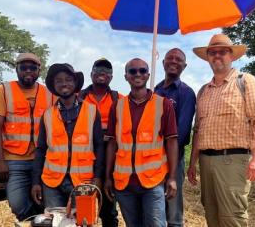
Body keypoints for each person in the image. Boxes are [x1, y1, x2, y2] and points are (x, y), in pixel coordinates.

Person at [187, 34, 255, 227]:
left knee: (232, 217)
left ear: (231, 56)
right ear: (208, 58)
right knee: (211, 213)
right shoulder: (203, 91)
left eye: (222, 52)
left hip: (234, 161)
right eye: (212, 53)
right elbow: (198, 130)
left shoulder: (245, 81)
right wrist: (192, 163)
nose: (217, 56)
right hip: (206, 162)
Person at [104, 58, 179, 227]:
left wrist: (172, 177)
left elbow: (172, 141)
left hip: (153, 180)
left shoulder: (163, 105)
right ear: (126, 76)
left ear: (148, 75)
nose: (137, 74)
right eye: (132, 71)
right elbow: (112, 144)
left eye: (142, 71)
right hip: (124, 183)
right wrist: (108, 177)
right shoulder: (117, 106)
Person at [0, 52, 55, 221]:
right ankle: (35, 221)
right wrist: (0, 160)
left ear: (39, 70)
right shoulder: (3, 90)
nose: (28, 71)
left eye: (32, 68)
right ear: (16, 69)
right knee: (17, 203)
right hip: (14, 161)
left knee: (44, 201)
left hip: (43, 160)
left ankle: (38, 221)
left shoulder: (50, 94)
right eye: (23, 67)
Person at [31, 63, 104, 209]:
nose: (64, 83)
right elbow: (40, 150)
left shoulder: (92, 111)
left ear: (75, 83)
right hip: (52, 183)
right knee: (55, 222)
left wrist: (97, 177)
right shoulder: (47, 114)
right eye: (58, 80)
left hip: (83, 182)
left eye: (69, 79)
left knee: (83, 222)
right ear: (53, 85)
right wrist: (35, 182)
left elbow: (99, 146)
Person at [154, 48, 196, 227]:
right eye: (170, 58)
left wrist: (166, 156)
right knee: (155, 209)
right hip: (151, 161)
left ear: (184, 66)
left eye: (178, 59)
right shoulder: (154, 90)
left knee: (173, 211)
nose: (174, 61)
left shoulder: (186, 93)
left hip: (173, 159)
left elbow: (182, 132)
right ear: (163, 63)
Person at [78, 58, 122, 227]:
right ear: (91, 74)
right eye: (98, 69)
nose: (102, 73)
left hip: (109, 160)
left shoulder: (119, 98)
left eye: (106, 71)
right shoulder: (78, 97)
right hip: (84, 160)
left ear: (111, 77)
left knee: (109, 209)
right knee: (81, 207)